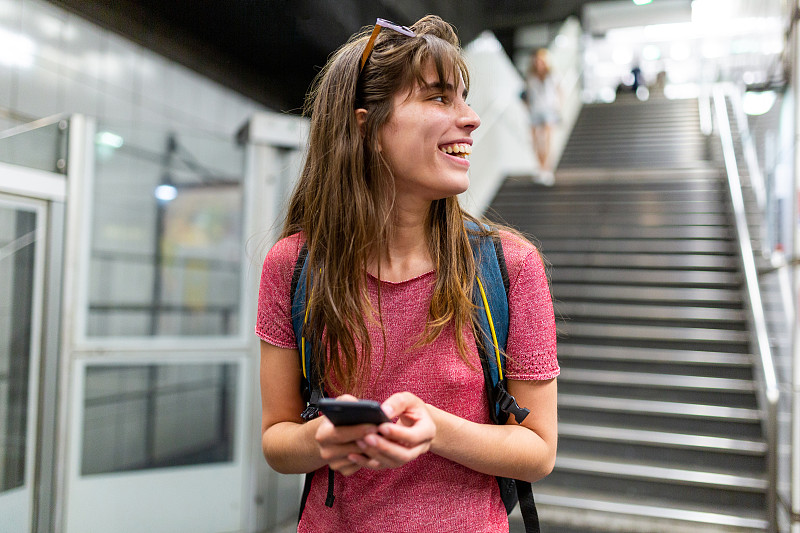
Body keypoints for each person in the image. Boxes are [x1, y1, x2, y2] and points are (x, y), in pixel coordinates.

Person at [256, 15, 558, 533]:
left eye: (463, 97)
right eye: (440, 98)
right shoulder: (295, 265)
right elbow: (278, 441)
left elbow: (538, 450)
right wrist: (320, 439)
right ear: (365, 125)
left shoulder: (508, 267)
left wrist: (435, 428)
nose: (471, 118)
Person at [525, 48, 560, 183]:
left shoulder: (552, 74)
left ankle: (546, 168)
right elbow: (528, 94)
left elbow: (559, 90)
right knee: (535, 141)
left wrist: (558, 107)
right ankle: (540, 167)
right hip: (535, 110)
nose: (538, 63)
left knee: (547, 140)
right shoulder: (531, 76)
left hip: (549, 110)